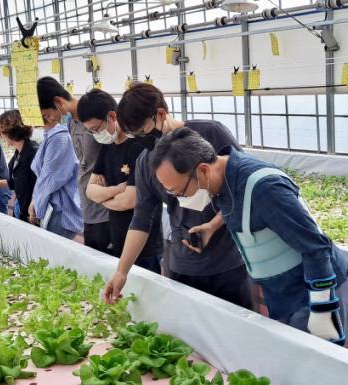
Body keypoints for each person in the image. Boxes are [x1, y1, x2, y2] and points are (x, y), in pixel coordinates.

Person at [150, 127, 348, 345]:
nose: (179, 198)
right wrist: (211, 227)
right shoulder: (222, 182)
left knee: (317, 360)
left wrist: (322, 307)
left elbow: (316, 247)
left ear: (203, 171)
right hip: (281, 293)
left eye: (179, 191)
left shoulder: (265, 188)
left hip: (314, 290)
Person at [103, 83, 253, 310]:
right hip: (183, 264)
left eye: (143, 131)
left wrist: (213, 225)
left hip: (228, 262)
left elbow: (243, 184)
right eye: (135, 135)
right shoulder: (146, 161)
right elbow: (141, 219)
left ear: (160, 114)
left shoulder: (210, 133)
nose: (142, 139)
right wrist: (121, 272)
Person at [79, 89, 163, 271]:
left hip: (145, 246)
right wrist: (116, 190)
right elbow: (90, 191)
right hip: (118, 239)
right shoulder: (108, 147)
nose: (96, 134)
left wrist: (103, 197)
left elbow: (129, 201)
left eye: (96, 129)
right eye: (91, 132)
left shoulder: (139, 145)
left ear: (111, 116)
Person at [36, 77, 110, 252]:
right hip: (88, 207)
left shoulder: (95, 117)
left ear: (58, 102)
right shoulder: (71, 123)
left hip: (106, 210)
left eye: (47, 115)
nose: (49, 120)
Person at [31, 86, 84, 239]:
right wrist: (35, 200)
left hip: (59, 209)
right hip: (51, 205)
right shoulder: (52, 135)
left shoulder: (59, 137)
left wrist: (37, 204)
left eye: (47, 114)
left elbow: (50, 179)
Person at [0, 110, 38, 222]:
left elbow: (39, 184)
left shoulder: (33, 154)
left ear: (10, 132)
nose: (1, 136)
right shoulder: (19, 152)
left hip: (31, 212)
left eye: (2, 133)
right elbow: (19, 180)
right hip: (21, 207)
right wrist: (1, 183)